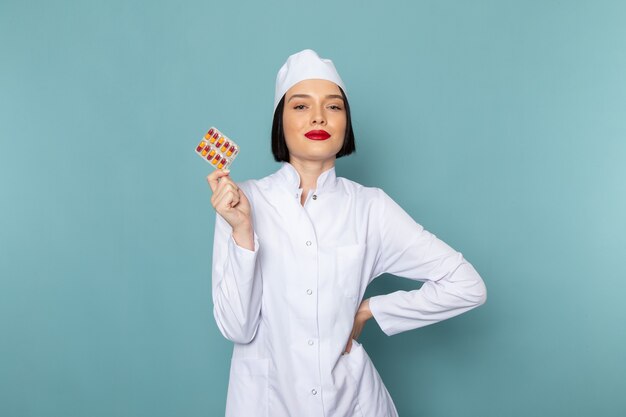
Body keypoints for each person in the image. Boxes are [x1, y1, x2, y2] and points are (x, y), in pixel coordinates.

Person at [207, 49, 487, 417]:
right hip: (265, 402)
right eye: (301, 106)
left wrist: (372, 309)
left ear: (346, 123)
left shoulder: (371, 208)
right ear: (280, 121)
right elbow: (237, 328)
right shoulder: (242, 201)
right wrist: (242, 232)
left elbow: (467, 285)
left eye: (334, 107)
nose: (319, 117)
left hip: (351, 402)